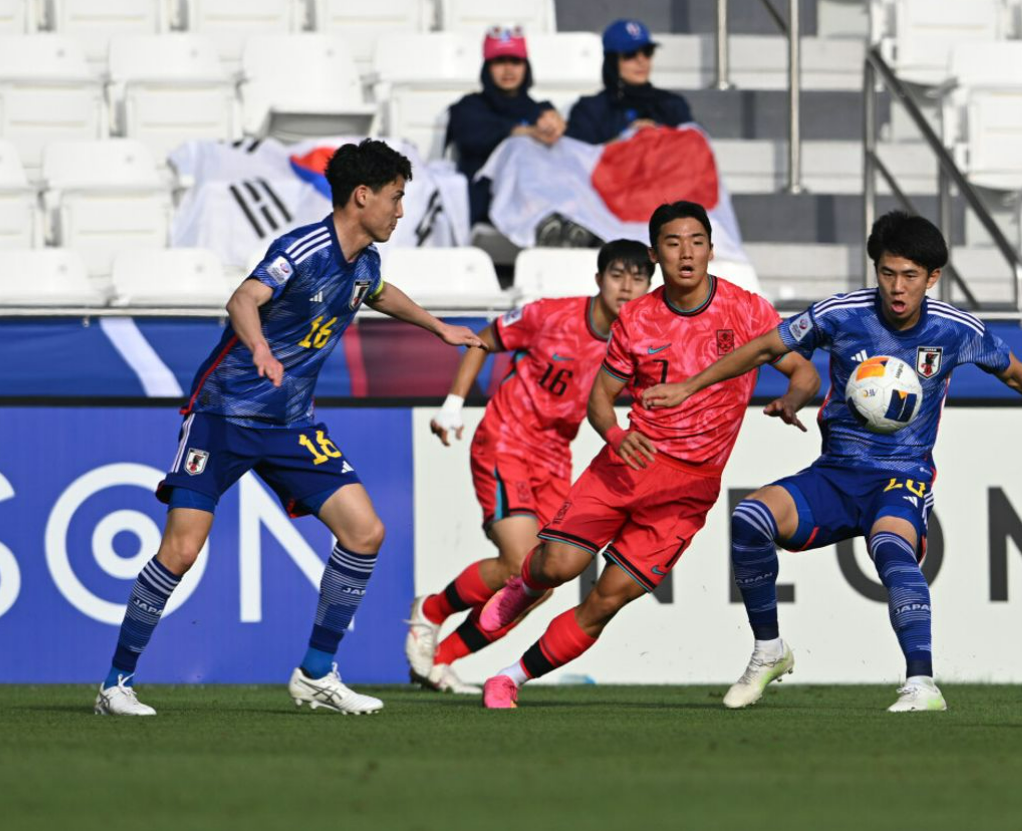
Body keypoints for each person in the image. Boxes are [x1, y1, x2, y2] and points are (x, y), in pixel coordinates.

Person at [642, 210, 1022, 712]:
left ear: (933, 278)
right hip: (835, 475)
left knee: (890, 547)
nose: (897, 287)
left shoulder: (954, 329)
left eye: (910, 276)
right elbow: (764, 348)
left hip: (901, 477)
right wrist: (688, 386)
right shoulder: (841, 314)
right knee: (749, 518)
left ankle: (922, 684)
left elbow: (1012, 373)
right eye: (887, 273)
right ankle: (768, 650)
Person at [93, 139, 484, 716]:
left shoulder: (366, 261)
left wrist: (437, 326)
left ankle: (317, 672)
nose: (401, 211)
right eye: (396, 198)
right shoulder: (301, 248)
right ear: (362, 196)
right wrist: (259, 350)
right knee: (180, 550)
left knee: (365, 532)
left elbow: (376, 293)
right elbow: (243, 298)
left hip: (289, 423)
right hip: (223, 416)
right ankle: (115, 685)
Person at [474, 201, 821, 708]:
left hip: (689, 490)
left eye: (697, 241)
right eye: (674, 243)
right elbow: (599, 399)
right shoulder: (637, 318)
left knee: (606, 599)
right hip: (626, 466)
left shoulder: (747, 310)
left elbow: (804, 371)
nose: (687, 253)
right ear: (657, 254)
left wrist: (793, 397)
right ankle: (525, 584)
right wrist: (614, 435)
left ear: (710, 248)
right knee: (558, 565)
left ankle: (509, 677)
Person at [405, 240, 654, 693]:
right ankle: (432, 612)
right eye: (618, 275)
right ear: (599, 280)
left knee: (544, 577)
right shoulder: (550, 315)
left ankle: (442, 659)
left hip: (557, 457)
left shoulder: (637, 346)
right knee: (521, 561)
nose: (627, 286)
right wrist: (454, 403)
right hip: (507, 441)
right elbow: (485, 338)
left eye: (639, 278)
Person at [446, 25, 566, 226]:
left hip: (539, 200)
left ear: (526, 66)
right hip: (484, 206)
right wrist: (526, 132)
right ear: (487, 67)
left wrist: (558, 127)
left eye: (516, 61)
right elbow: (472, 137)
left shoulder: (542, 111)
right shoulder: (468, 107)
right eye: (500, 61)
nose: (509, 69)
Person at [565, 19, 694, 146]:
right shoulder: (589, 110)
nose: (641, 60)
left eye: (647, 51)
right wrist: (624, 142)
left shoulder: (673, 105)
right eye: (630, 54)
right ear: (612, 61)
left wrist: (661, 136)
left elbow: (696, 152)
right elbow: (576, 160)